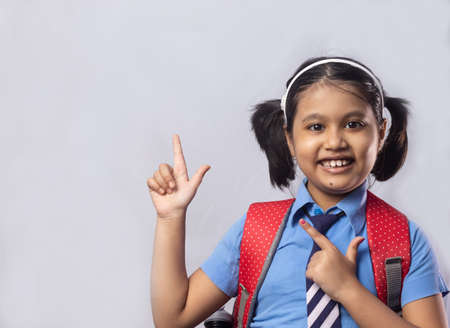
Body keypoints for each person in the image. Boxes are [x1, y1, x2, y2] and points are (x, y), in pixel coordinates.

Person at [148, 56, 449, 328]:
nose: (335, 142)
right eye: (316, 127)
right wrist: (170, 218)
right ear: (289, 138)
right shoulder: (257, 229)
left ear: (381, 132)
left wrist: (348, 290)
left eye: (353, 124)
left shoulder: (401, 239)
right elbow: (173, 319)